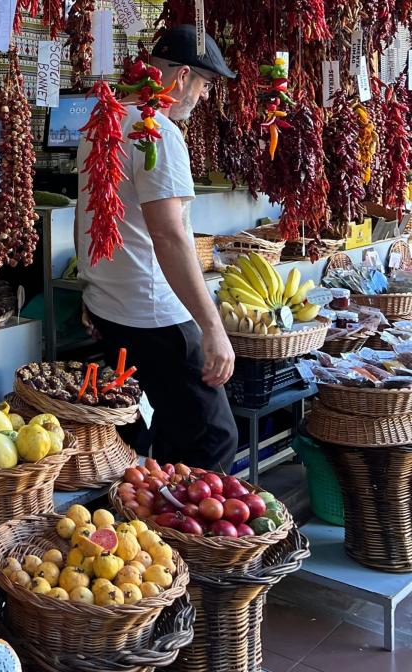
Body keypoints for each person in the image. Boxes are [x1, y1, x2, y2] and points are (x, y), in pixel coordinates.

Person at [74, 24, 238, 473]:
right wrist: (212, 327)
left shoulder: (103, 121)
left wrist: (91, 287)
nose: (204, 97)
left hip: (111, 311)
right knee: (214, 438)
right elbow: (169, 235)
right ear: (182, 76)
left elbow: (85, 217)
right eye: (205, 85)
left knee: (154, 435)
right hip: (156, 317)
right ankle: (200, 541)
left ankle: (155, 531)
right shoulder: (158, 132)